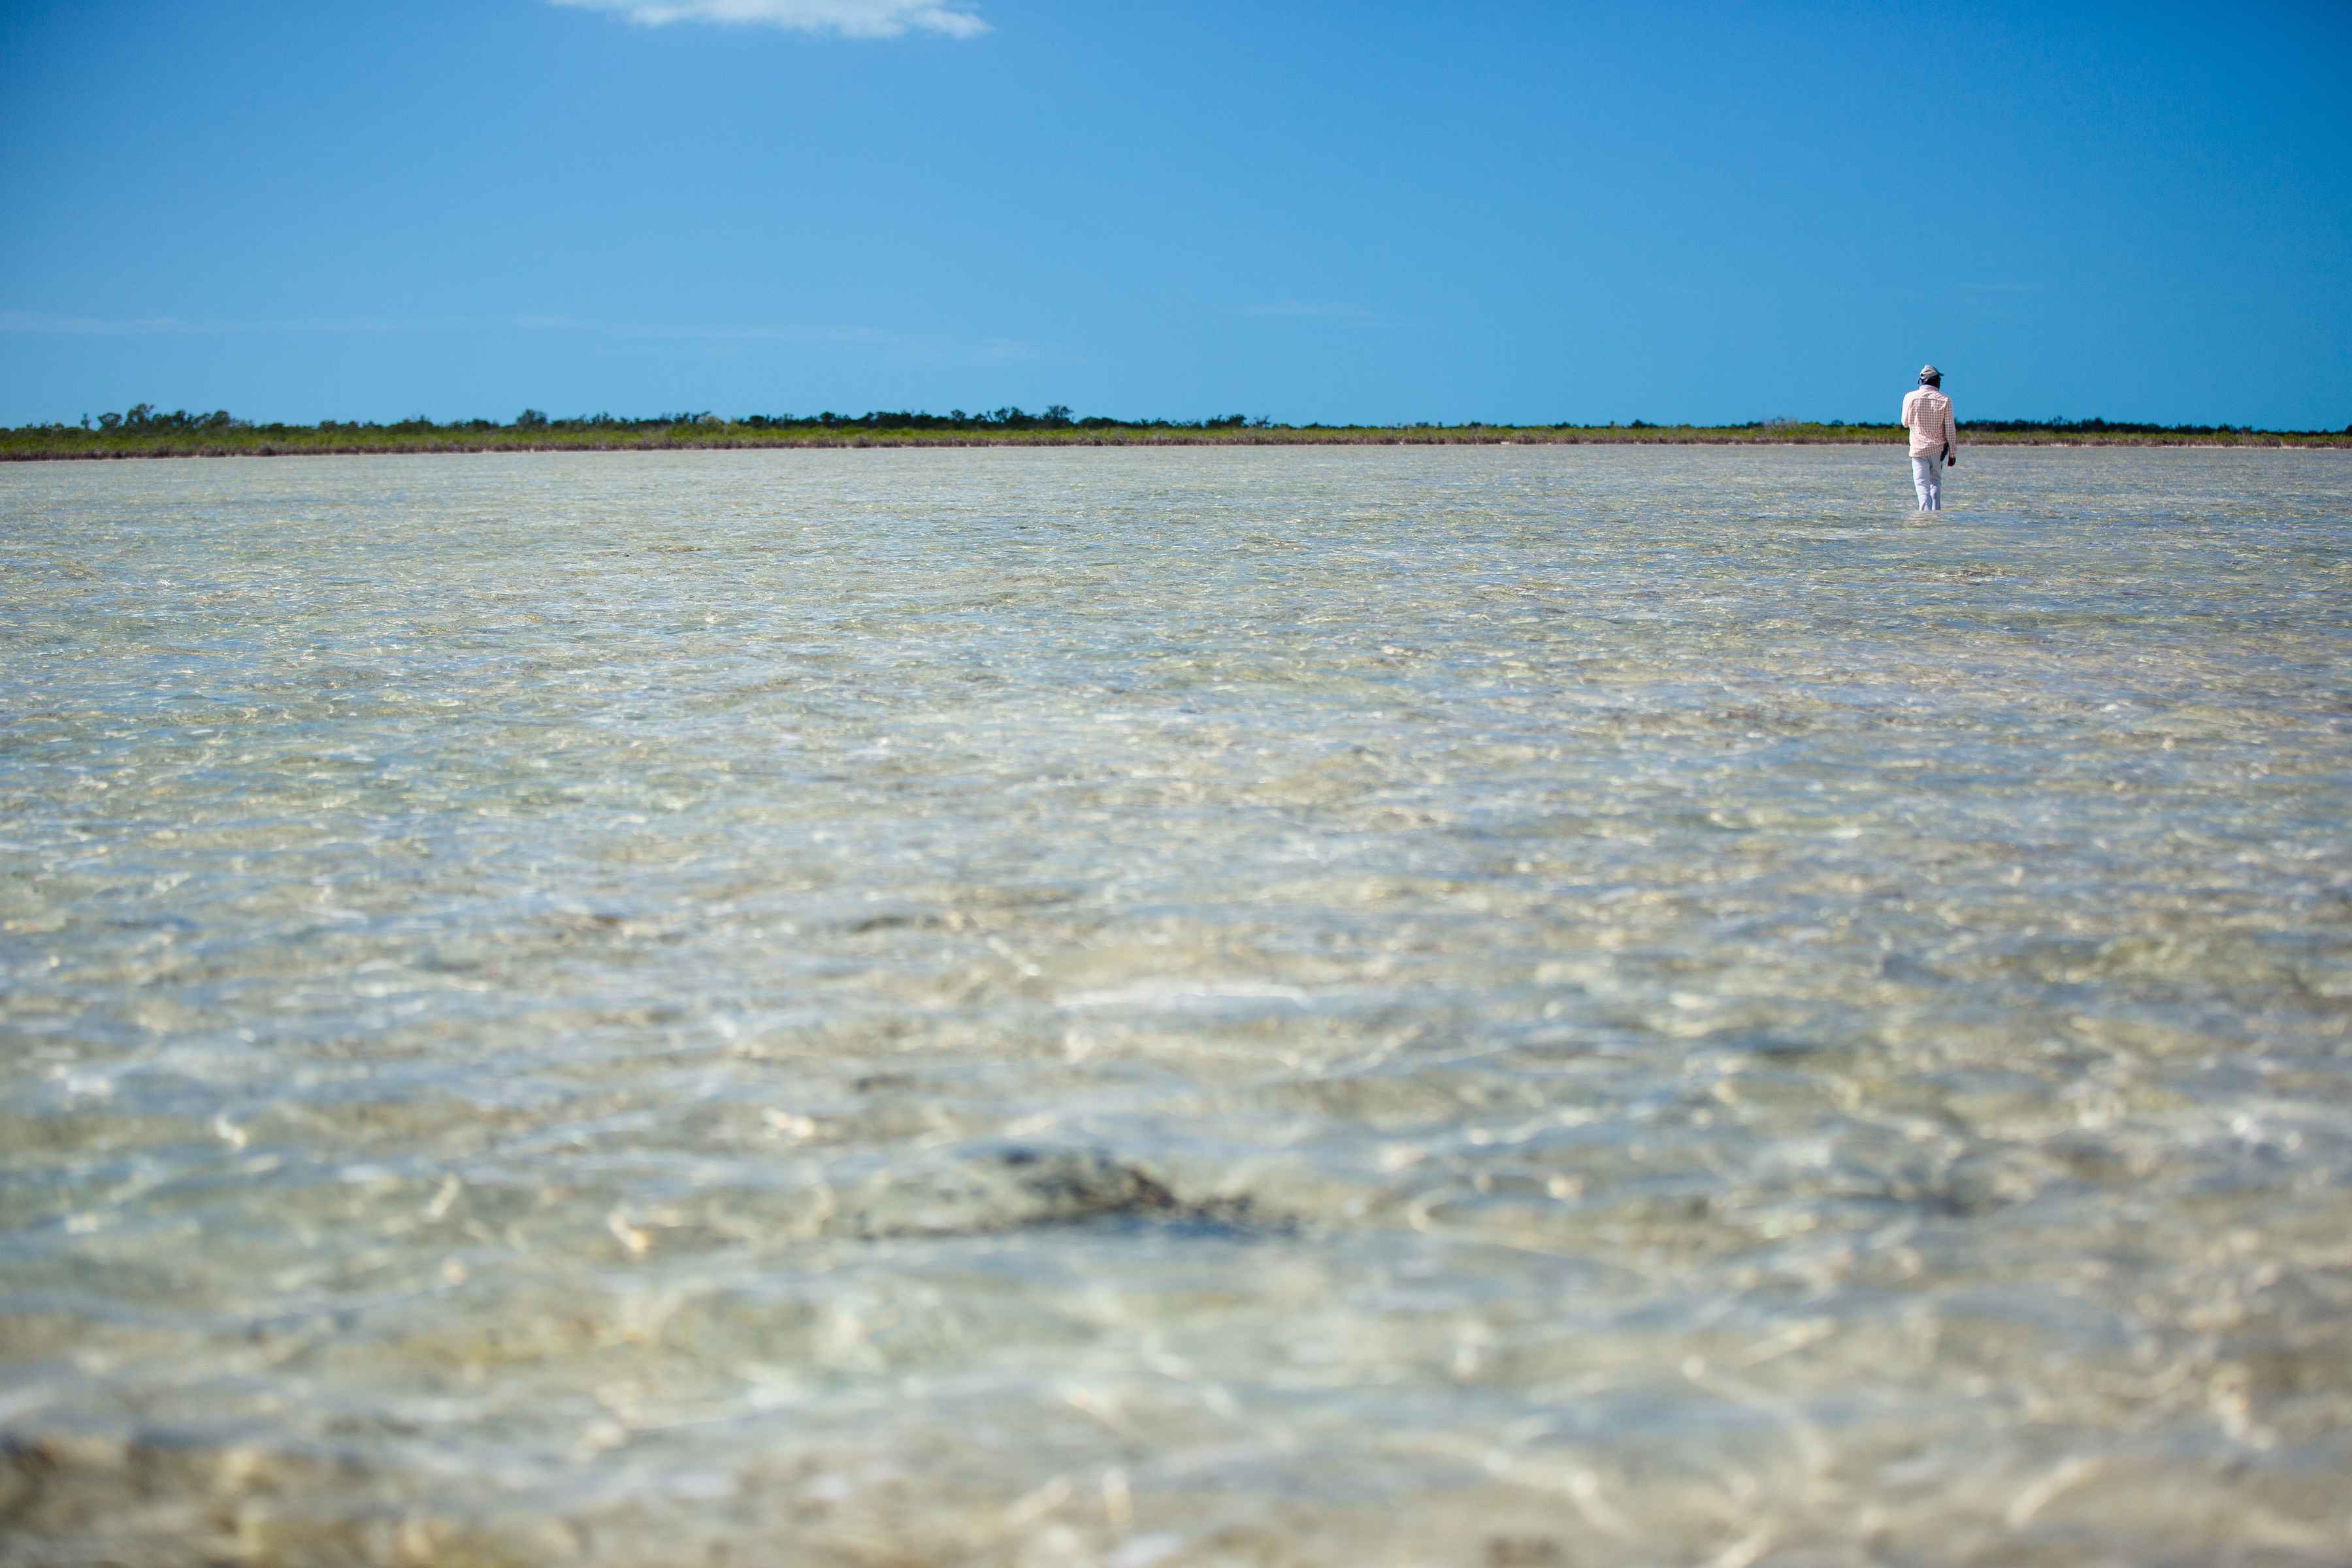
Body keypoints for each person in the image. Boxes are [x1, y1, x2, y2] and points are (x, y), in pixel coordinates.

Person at [1901, 365, 1958, 511]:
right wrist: (1952, 454)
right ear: (1936, 381)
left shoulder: (1909, 397)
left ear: (1921, 381)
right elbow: (1950, 429)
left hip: (1918, 450)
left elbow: (1905, 423)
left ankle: (1925, 521)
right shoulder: (1946, 400)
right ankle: (1936, 516)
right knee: (1936, 484)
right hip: (1938, 451)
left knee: (1922, 487)